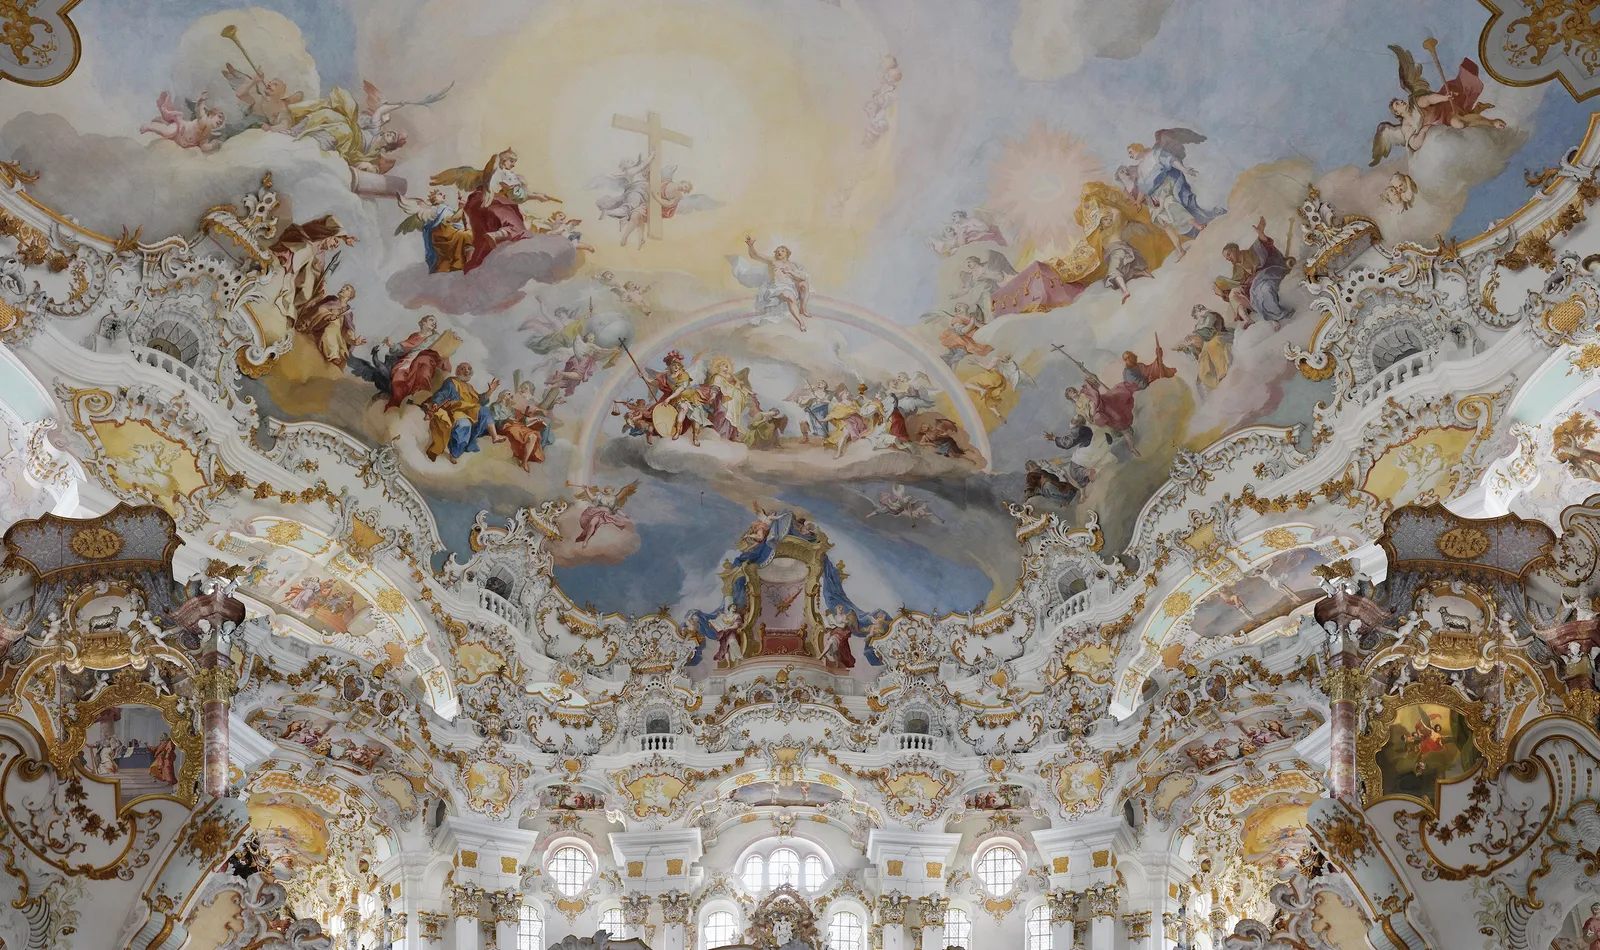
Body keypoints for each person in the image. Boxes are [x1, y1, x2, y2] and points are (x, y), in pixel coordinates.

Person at [1216, 217, 1295, 328]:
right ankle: (1249, 319)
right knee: (1234, 294)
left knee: (1264, 289)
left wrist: (1261, 233)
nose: (1228, 259)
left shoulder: (1251, 252)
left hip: (1268, 272)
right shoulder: (1236, 269)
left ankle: (1276, 316)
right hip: (1252, 285)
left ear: (1235, 250)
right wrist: (1223, 290)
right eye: (1226, 258)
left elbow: (1265, 245)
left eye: (1228, 255)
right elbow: (1237, 282)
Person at [423, 362, 499, 463]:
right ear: (457, 371)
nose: (466, 371)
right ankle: (455, 452)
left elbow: (479, 401)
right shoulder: (451, 382)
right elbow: (441, 394)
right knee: (464, 424)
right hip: (456, 411)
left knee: (484, 410)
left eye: (469, 369)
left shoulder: (469, 387)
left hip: (470, 411)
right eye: (462, 368)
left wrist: (490, 391)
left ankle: (495, 436)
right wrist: (436, 403)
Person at [384, 314, 451, 410]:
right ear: (423, 322)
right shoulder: (415, 336)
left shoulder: (437, 337)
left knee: (422, 364)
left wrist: (452, 339)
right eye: (431, 320)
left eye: (435, 322)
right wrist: (391, 345)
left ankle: (419, 397)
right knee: (399, 375)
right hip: (409, 360)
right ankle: (399, 401)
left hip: (426, 359)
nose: (434, 323)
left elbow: (447, 348)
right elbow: (403, 347)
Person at [293, 284, 363, 367]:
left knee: (334, 324)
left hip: (329, 331)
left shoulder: (347, 312)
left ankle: (332, 355)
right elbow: (315, 306)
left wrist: (353, 341)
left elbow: (348, 331)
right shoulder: (330, 299)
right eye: (343, 286)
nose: (343, 288)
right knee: (323, 311)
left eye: (347, 288)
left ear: (350, 296)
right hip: (314, 324)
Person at [1175, 304, 1234, 390]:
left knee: (1212, 345)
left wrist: (1195, 333)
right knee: (1203, 358)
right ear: (1195, 315)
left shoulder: (1212, 316)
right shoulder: (1197, 327)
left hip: (1222, 336)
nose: (1202, 310)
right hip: (1210, 343)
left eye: (1202, 308)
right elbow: (1198, 344)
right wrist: (1188, 349)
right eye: (1199, 310)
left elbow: (1210, 333)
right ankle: (1214, 383)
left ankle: (1223, 372)